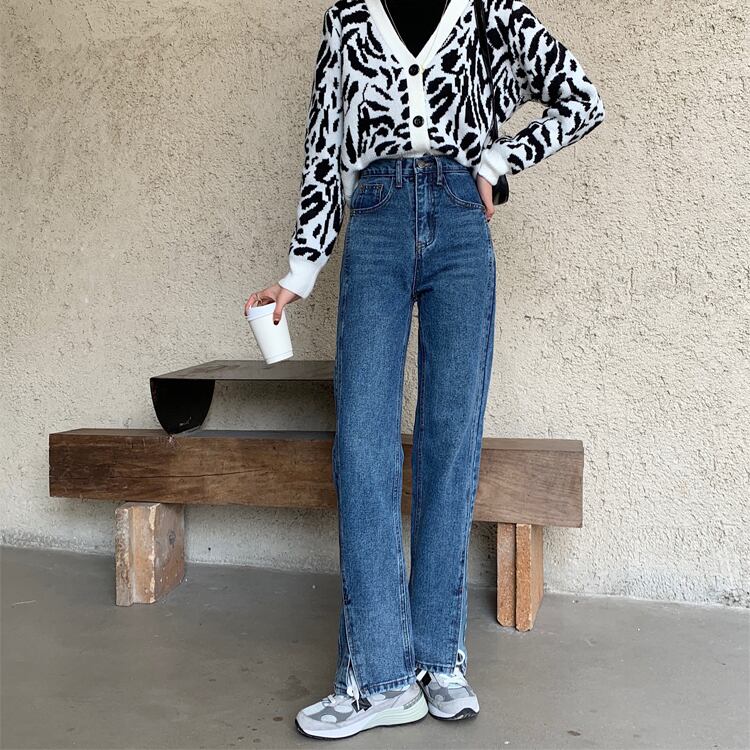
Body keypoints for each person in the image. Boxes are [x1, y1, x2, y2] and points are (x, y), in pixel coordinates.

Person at [245, 0, 605, 740]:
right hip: (375, 217)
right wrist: (299, 272)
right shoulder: (348, 16)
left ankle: (440, 658)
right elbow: (325, 145)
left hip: (460, 220)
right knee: (362, 443)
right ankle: (380, 677)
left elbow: (581, 97)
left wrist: (498, 162)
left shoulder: (488, 9)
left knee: (450, 438)